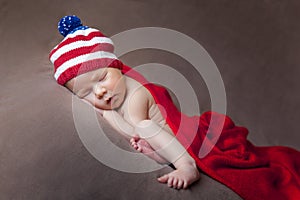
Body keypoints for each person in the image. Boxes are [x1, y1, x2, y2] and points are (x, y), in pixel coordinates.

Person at [50, 15, 200, 189]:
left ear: (115, 67)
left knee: (146, 127)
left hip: (177, 139)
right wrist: (102, 109)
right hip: (161, 144)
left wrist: (106, 113)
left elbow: (133, 132)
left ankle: (186, 165)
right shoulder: (113, 92)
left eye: (102, 78)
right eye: (86, 93)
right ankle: (167, 159)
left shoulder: (135, 95)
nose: (99, 92)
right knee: (144, 143)